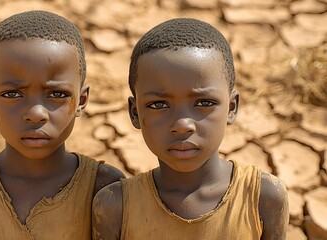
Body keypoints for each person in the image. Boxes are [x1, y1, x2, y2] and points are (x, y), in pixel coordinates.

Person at [0, 10, 124, 240]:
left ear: (81, 101)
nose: (36, 113)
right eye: (12, 93)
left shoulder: (103, 189)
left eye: (56, 93)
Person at [92, 18, 289, 240]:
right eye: (159, 105)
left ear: (231, 108)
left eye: (204, 103)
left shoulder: (261, 197)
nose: (182, 125)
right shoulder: (116, 206)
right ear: (135, 113)